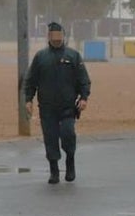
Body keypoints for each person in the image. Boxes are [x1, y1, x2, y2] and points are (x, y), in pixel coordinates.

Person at [24, 22, 91, 184]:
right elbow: (31, 80)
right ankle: (54, 170)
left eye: (59, 36)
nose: (56, 39)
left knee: (68, 134)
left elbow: (84, 80)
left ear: (63, 36)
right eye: (53, 36)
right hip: (47, 108)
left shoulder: (73, 56)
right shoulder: (41, 57)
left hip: (68, 107)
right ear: (48, 37)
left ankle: (70, 161)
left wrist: (83, 98)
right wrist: (28, 99)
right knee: (50, 138)